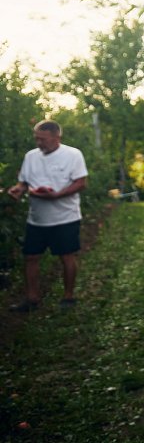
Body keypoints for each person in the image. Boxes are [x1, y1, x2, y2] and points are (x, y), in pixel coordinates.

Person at [7, 120, 88, 312]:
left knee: (66, 256)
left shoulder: (73, 155)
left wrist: (57, 195)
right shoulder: (31, 156)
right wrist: (18, 190)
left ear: (56, 137)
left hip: (65, 217)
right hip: (36, 218)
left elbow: (81, 183)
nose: (39, 143)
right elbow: (24, 183)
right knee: (31, 256)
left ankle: (68, 297)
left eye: (42, 139)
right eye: (36, 139)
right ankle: (31, 298)